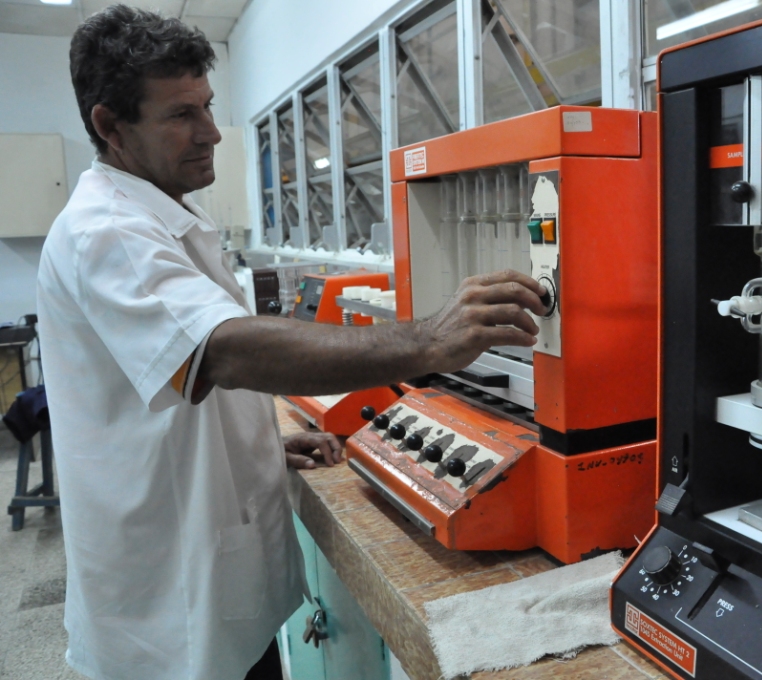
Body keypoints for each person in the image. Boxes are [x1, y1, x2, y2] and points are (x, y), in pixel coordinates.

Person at [36, 5, 546, 680]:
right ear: (110, 125)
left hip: (208, 581)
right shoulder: (108, 232)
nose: (211, 132)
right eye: (181, 115)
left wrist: (257, 451)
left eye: (208, 107)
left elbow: (159, 389)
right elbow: (222, 351)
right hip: (170, 616)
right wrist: (426, 339)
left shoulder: (159, 217)